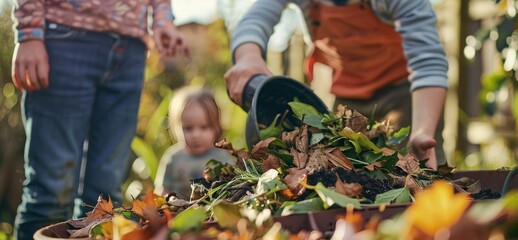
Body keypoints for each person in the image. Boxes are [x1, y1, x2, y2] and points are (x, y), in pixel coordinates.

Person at [11, 0, 188, 238]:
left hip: (130, 50)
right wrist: (30, 32)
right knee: (51, 193)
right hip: (64, 37)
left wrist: (163, 20)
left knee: (104, 200)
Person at [224, 0, 448, 170]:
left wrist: (422, 130)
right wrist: (248, 56)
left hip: (406, 100)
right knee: (352, 172)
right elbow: (255, 19)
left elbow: (427, 60)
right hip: (347, 101)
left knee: (419, 174)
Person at [154, 87, 235, 199]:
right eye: (188, 128)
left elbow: (233, 189)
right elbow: (163, 190)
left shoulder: (223, 158)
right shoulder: (173, 157)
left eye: (204, 127)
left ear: (216, 126)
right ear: (175, 127)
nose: (196, 135)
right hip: (178, 214)